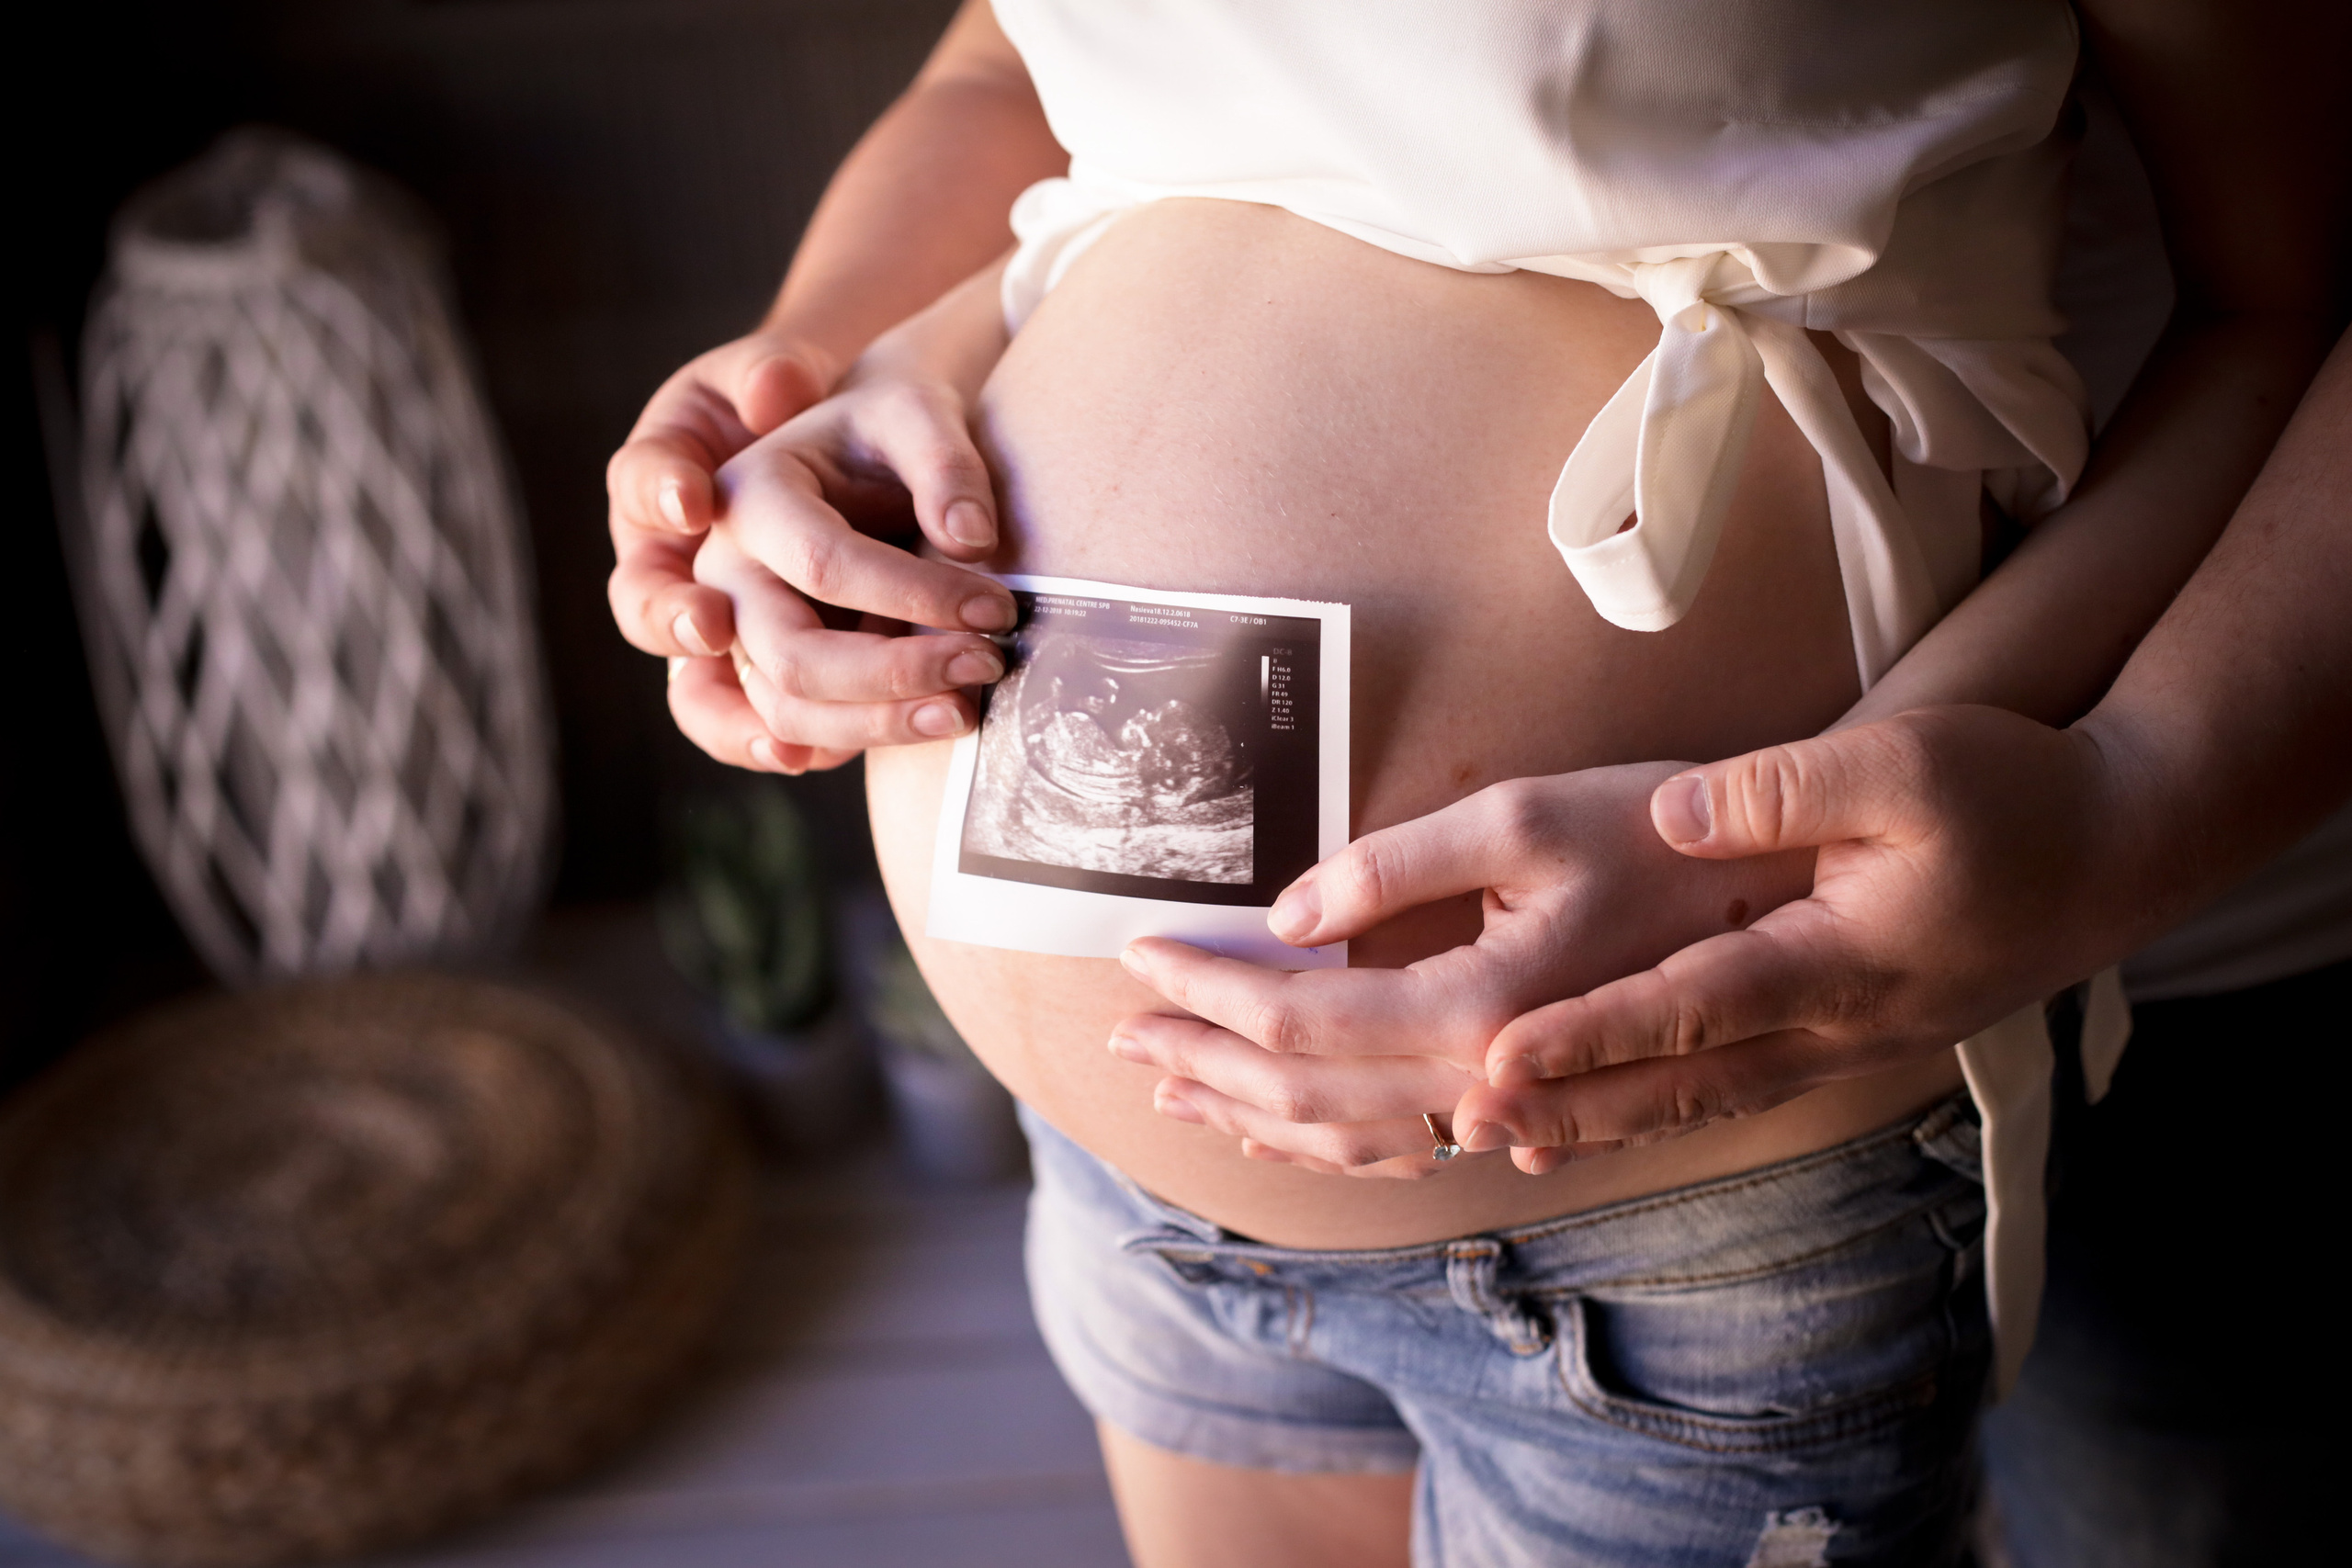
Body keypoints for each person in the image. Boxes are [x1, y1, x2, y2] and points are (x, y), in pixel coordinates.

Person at [603, 5, 2346, 1562]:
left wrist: (2072, 795)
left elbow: (2281, 296)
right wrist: (796, 374)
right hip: (1137, 1196)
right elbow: (1004, 58)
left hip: (1680, 1208)